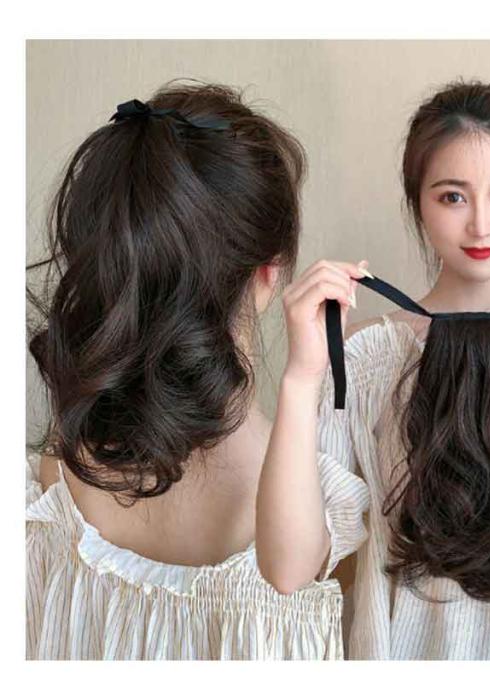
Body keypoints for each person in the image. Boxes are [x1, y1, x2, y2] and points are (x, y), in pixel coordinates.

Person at [256, 80, 490, 660]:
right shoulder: (369, 360)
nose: (481, 226)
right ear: (417, 202)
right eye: (453, 197)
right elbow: (288, 569)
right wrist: (301, 376)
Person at [26, 80, 349, 660]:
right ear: (270, 272)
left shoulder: (60, 474)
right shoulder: (313, 504)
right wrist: (302, 380)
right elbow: (292, 575)